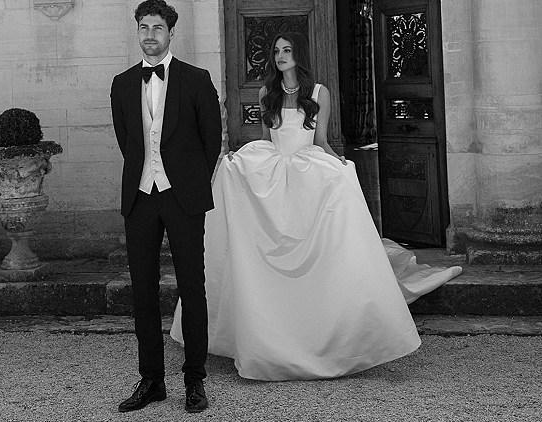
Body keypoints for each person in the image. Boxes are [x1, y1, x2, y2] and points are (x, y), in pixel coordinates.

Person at [171, 31, 462, 380]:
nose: (281, 56)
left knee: (322, 235)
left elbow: (321, 140)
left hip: (308, 171)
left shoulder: (318, 93)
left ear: (299, 55)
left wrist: (341, 164)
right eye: (277, 51)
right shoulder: (268, 93)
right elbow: (266, 140)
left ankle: (326, 331)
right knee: (242, 200)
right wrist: (241, 159)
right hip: (274, 173)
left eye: (287, 50)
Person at [111, 0, 222, 411]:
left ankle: (195, 380)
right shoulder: (122, 84)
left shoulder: (196, 79)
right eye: (144, 27)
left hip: (183, 197)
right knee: (143, 291)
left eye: (158, 28)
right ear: (137, 31)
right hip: (140, 197)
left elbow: (211, 140)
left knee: (192, 288)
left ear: (171, 33)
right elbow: (128, 141)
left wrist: (187, 180)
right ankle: (151, 380)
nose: (150, 35)